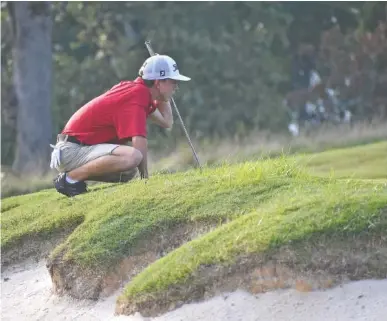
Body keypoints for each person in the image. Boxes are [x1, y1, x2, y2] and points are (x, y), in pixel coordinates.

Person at [49, 54, 190, 197]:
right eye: (173, 82)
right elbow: (139, 141)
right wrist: (146, 181)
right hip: (71, 150)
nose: (176, 87)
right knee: (133, 157)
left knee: (128, 172)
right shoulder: (137, 95)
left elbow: (167, 122)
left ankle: (74, 179)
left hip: (74, 149)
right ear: (158, 83)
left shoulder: (139, 93)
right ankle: (70, 180)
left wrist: (163, 96)